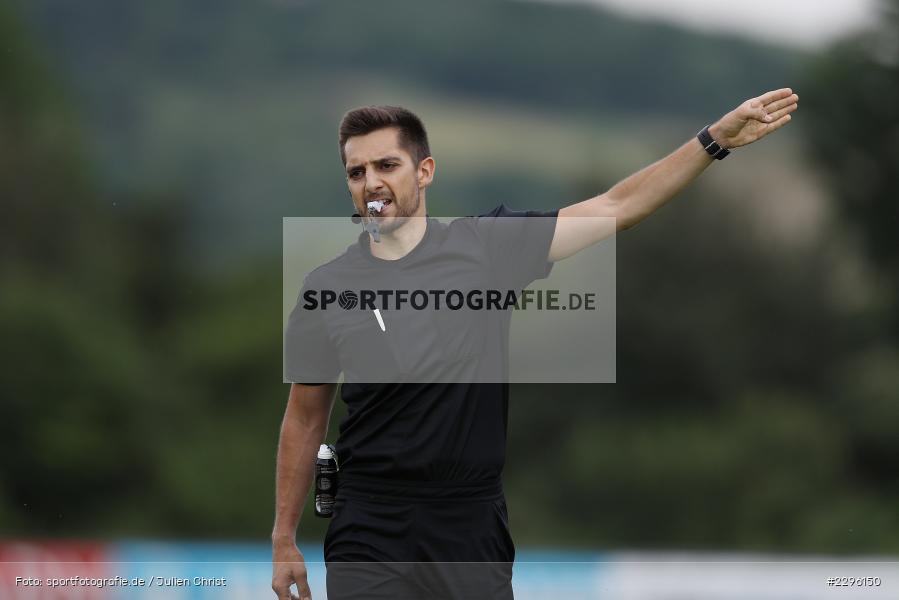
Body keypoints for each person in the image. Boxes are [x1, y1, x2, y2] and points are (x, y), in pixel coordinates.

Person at [273, 90, 799, 600]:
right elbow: (304, 417)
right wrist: (283, 537)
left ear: (425, 171)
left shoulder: (488, 249)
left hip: (469, 523)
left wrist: (714, 141)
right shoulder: (328, 286)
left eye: (387, 165)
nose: (372, 183)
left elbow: (618, 204)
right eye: (357, 172)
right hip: (370, 523)